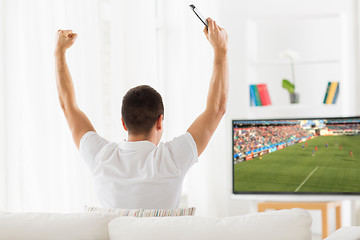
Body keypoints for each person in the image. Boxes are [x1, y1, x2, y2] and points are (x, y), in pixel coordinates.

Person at [54, 18, 229, 209]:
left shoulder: (101, 157)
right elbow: (217, 110)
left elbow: (68, 106)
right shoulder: (172, 159)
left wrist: (59, 52)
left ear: (123, 123)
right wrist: (220, 51)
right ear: (160, 121)